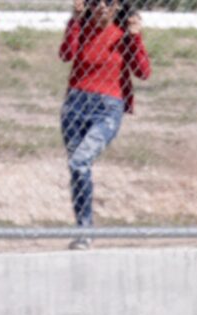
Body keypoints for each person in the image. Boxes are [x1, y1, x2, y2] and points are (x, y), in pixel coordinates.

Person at [59, 0, 151, 250]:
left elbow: (142, 72)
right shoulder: (83, 27)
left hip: (108, 108)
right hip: (75, 104)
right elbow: (66, 54)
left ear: (118, 6)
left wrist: (135, 37)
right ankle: (84, 228)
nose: (101, 6)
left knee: (80, 161)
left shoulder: (123, 34)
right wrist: (75, 21)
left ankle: (85, 229)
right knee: (78, 168)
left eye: (108, 2)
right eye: (94, 2)